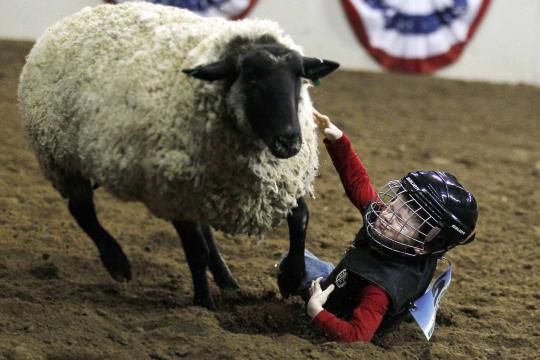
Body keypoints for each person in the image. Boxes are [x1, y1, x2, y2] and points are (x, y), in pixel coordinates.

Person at [278, 110, 478, 342]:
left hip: (340, 312)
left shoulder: (380, 290)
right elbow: (358, 184)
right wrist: (340, 142)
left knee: (293, 261)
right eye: (393, 207)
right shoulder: (402, 237)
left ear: (428, 241)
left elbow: (358, 336)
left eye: (402, 219)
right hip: (359, 289)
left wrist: (316, 311)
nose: (388, 216)